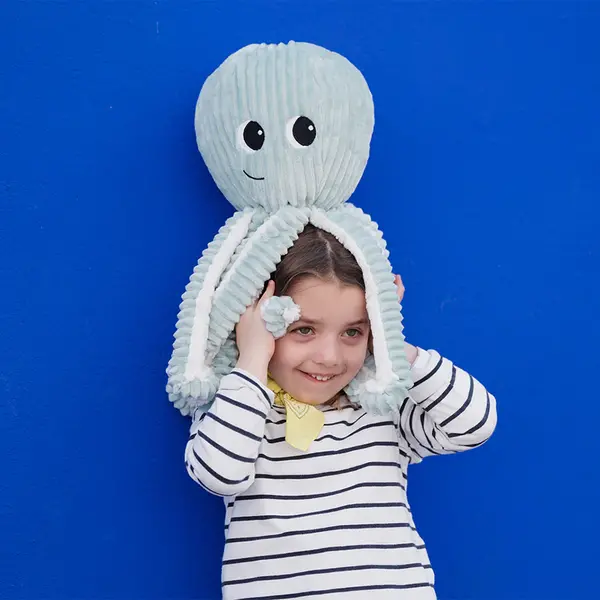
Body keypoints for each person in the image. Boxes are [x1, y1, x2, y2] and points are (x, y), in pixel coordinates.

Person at [185, 224, 497, 600]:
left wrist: (392, 345)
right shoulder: (239, 408)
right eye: (303, 330)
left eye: (353, 332)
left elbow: (474, 423)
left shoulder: (379, 410)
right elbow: (220, 474)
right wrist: (252, 357)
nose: (330, 357)